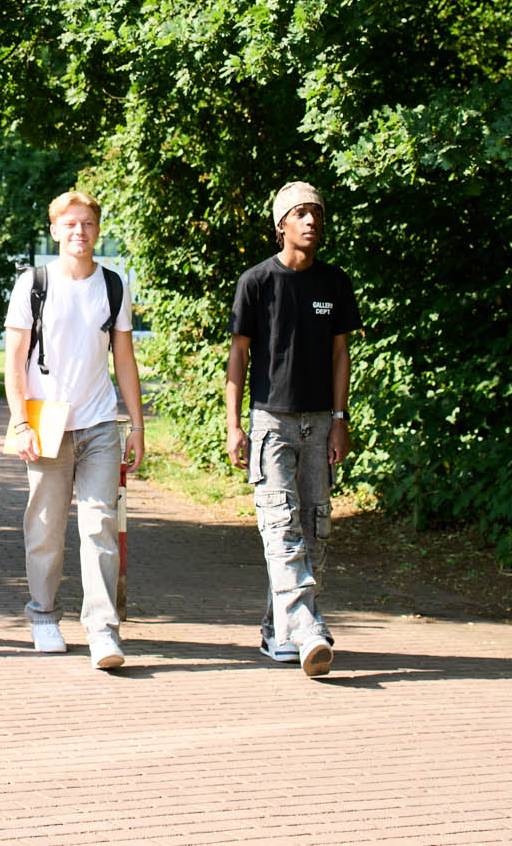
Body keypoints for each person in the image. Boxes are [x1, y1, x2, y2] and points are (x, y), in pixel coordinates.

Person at [224, 181, 360, 679]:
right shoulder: (256, 281)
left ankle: (274, 629)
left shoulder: (334, 283)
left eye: (316, 214)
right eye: (300, 214)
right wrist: (234, 425)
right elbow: (239, 354)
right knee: (280, 527)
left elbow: (341, 354)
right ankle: (306, 629)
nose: (310, 222)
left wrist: (340, 421)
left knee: (314, 530)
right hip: (271, 421)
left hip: (321, 422)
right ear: (281, 223)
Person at [3, 189, 143, 669]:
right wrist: (20, 421)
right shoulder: (33, 284)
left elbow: (124, 358)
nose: (79, 232)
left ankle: (103, 631)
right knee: (44, 526)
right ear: (55, 230)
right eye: (70, 224)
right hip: (46, 423)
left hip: (101, 423)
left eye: (87, 224)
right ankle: (43, 617)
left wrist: (137, 424)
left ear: (96, 230)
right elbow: (15, 361)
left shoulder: (113, 285)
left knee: (99, 524)